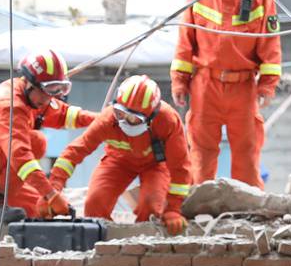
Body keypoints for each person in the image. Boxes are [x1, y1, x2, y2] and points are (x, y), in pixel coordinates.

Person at [169, 0, 283, 187]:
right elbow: (185, 44)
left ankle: (248, 207)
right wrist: (179, 81)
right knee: (201, 153)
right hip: (204, 87)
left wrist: (267, 85)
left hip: (242, 88)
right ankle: (200, 207)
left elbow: (270, 45)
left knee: (247, 152)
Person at [0, 50, 92, 219]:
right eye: (50, 88)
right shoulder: (9, 105)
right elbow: (20, 156)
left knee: (39, 210)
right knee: (36, 142)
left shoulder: (33, 94)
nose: (52, 96)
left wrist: (104, 118)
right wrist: (51, 194)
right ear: (31, 83)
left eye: (59, 88)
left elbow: (64, 115)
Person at [50, 75, 194, 233]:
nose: (124, 121)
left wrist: (173, 208)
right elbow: (76, 151)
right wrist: (53, 189)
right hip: (118, 161)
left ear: (150, 117)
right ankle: (106, 245)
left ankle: (144, 246)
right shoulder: (108, 119)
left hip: (155, 165)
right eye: (120, 113)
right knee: (94, 203)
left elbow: (180, 166)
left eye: (133, 118)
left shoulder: (167, 120)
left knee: (151, 205)